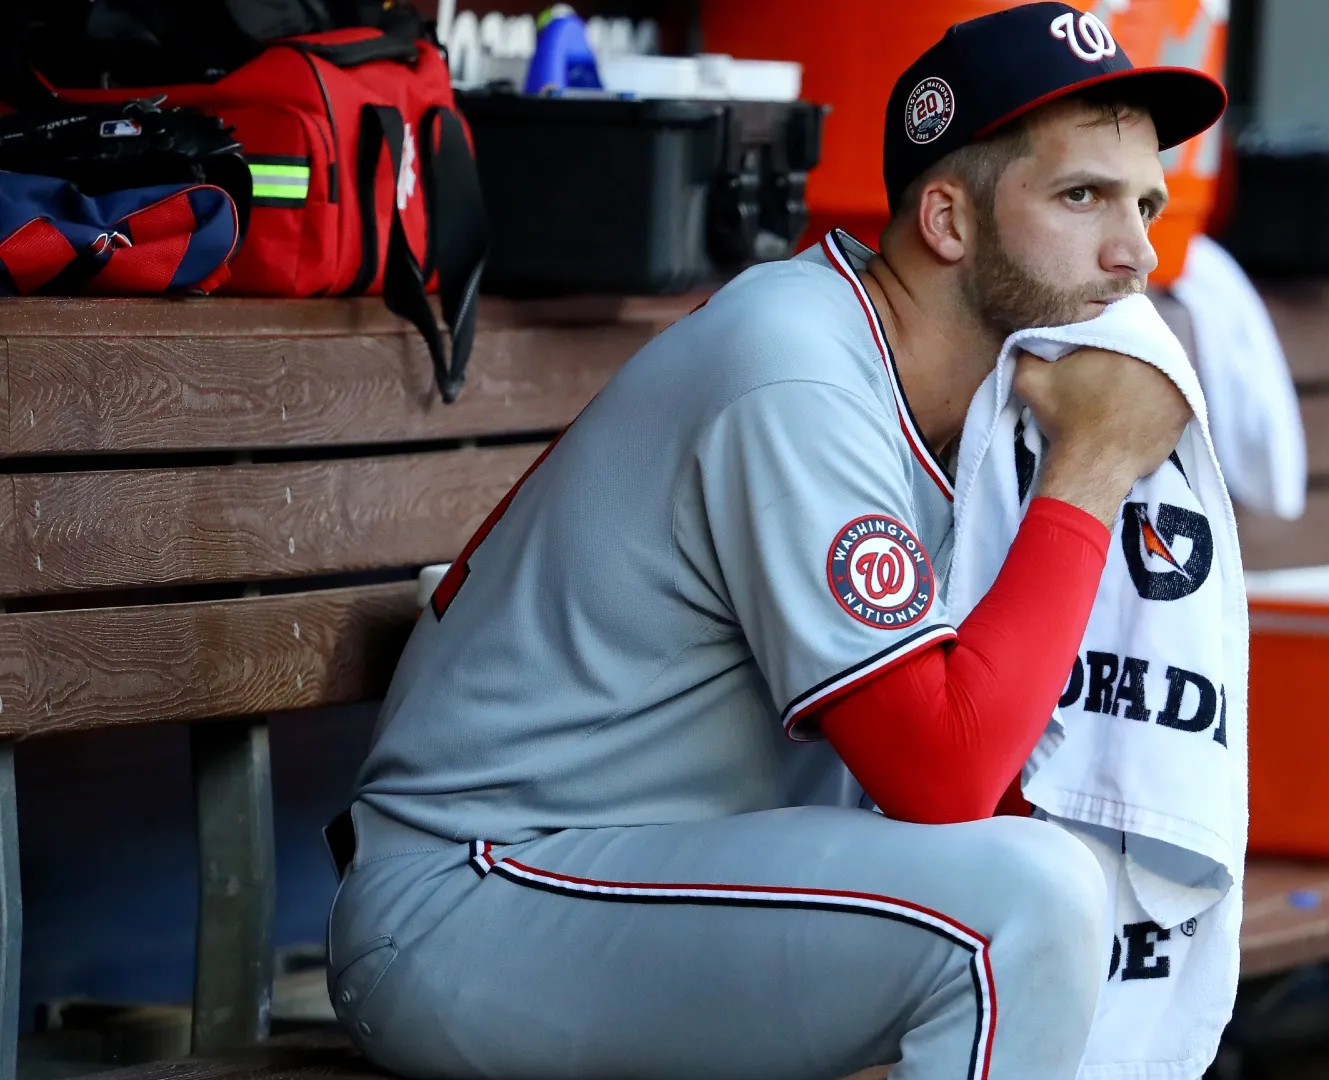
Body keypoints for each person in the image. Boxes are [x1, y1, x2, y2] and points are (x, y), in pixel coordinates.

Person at [326, 5, 1225, 1077]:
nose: (1135, 255)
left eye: (1148, 204)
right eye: (1083, 197)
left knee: (1050, 873)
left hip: (658, 886)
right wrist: (1092, 470)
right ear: (948, 219)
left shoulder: (979, 415)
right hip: (476, 904)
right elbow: (940, 776)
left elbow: (989, 790)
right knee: (1023, 905)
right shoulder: (797, 363)